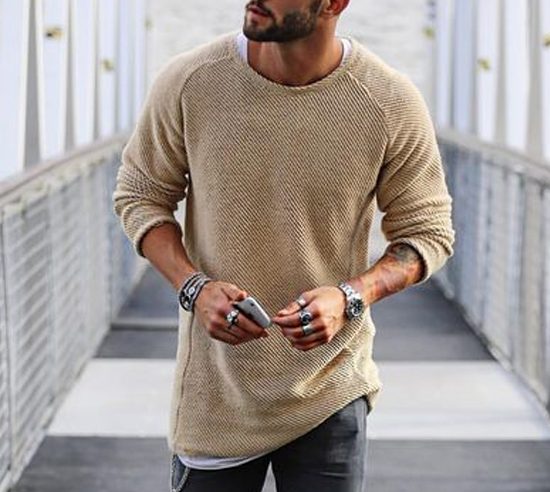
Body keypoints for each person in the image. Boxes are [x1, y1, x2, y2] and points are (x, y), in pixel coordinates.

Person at [112, 0, 455, 490]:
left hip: (332, 388)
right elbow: (141, 196)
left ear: (334, 4)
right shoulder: (190, 82)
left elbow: (428, 231)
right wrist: (194, 287)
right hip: (217, 397)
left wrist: (349, 297)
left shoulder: (388, 101)